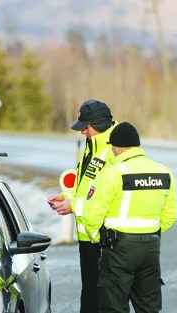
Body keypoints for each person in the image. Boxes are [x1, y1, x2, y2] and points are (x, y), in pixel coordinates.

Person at [79, 122, 177, 313]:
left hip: (118, 249)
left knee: (113, 306)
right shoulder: (164, 172)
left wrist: (96, 237)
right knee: (148, 307)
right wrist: (147, 233)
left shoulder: (112, 174)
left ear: (116, 147)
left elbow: (92, 215)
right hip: (151, 248)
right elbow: (169, 215)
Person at [47, 98, 117, 313]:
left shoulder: (114, 151)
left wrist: (74, 206)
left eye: (85, 127)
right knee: (90, 296)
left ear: (98, 124)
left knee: (103, 300)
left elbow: (106, 195)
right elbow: (85, 185)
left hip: (103, 238)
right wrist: (64, 196)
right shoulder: (92, 146)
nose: (82, 132)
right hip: (88, 236)